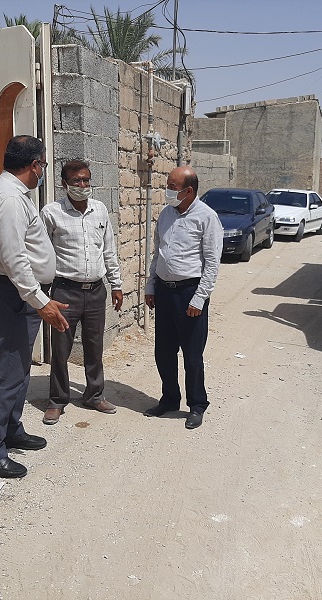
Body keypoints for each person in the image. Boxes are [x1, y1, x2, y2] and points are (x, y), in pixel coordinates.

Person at [0, 135, 70, 479]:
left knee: (19, 368)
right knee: (7, 371)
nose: (42, 171)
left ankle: (10, 429)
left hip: (19, 294)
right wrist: (40, 300)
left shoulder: (14, 193)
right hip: (11, 294)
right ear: (34, 165)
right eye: (42, 165)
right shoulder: (10, 199)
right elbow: (14, 258)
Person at [39, 159, 123, 424]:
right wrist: (42, 293)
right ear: (64, 183)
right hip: (65, 292)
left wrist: (116, 284)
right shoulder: (51, 213)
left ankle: (94, 395)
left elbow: (109, 250)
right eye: (76, 181)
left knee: (94, 347)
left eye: (86, 180)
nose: (83, 185)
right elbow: (41, 253)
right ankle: (57, 400)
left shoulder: (100, 210)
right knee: (61, 348)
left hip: (96, 291)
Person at [144, 166, 223, 429]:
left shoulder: (207, 217)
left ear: (188, 191)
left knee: (192, 355)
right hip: (165, 292)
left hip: (190, 293)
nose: (167, 190)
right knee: (163, 352)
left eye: (172, 187)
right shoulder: (166, 214)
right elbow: (158, 253)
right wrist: (151, 286)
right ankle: (169, 399)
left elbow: (212, 263)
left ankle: (197, 405)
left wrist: (199, 299)